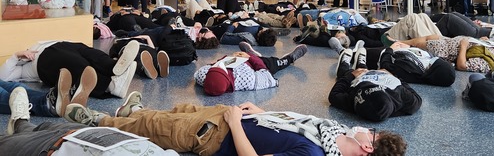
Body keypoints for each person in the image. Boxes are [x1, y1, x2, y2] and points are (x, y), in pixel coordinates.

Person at [65, 91, 407, 156]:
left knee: (158, 128)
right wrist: (259, 111)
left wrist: (237, 124)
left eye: (372, 134)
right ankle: (131, 113)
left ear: (366, 146)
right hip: (229, 119)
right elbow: (289, 123)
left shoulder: (315, 154)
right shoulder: (328, 132)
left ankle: (100, 121)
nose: (366, 129)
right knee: (172, 113)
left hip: (216, 134)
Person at [1, 87, 176, 155]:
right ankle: (20, 123)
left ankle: (20, 122)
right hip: (91, 134)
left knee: (9, 144)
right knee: (42, 126)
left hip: (55, 148)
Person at [0, 40, 139, 99]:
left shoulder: (35, 44)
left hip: (62, 45)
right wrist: (15, 56)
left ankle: (113, 67)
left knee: (89, 53)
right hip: (45, 62)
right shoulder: (22, 69)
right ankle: (109, 85)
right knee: (77, 64)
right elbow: (3, 77)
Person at [329, 45, 422, 122]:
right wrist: (393, 76)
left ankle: (345, 62)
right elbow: (417, 98)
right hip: (383, 77)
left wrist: (350, 76)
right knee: (363, 69)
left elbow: (334, 95)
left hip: (359, 79)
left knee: (345, 73)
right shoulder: (406, 99)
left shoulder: (353, 100)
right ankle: (361, 62)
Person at [194, 42, 307, 96]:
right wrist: (250, 57)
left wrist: (228, 58)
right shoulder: (247, 80)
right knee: (275, 64)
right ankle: (290, 58)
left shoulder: (203, 76)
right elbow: (264, 73)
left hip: (235, 58)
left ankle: (252, 53)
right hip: (254, 65)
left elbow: (208, 66)